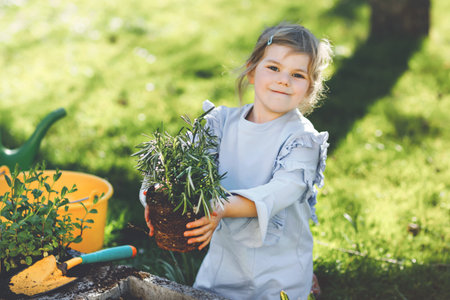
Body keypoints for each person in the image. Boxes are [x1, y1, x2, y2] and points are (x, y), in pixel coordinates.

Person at [141, 22, 332, 300]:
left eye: (297, 75)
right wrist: (155, 197)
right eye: (274, 68)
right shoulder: (220, 123)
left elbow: (283, 189)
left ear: (309, 88)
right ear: (252, 71)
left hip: (280, 272)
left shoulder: (302, 140)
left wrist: (218, 207)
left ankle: (306, 283)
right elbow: (176, 164)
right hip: (223, 268)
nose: (284, 80)